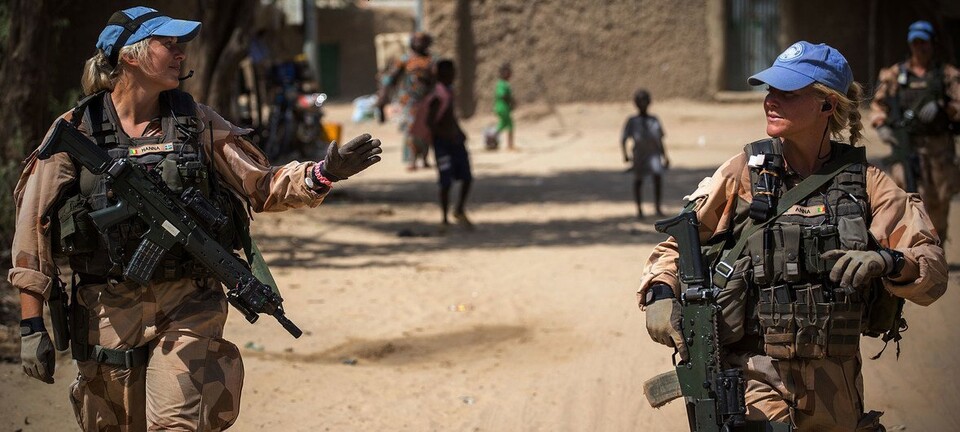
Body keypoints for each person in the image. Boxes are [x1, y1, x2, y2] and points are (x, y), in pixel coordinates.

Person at [11, 7, 381, 431]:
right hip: (106, 313)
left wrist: (323, 173)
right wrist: (31, 324)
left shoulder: (197, 122)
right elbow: (32, 229)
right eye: (167, 44)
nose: (180, 53)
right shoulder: (76, 131)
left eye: (180, 45)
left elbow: (261, 185)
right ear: (130, 56)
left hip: (189, 304)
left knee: (176, 424)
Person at [638, 41, 947, 431]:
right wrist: (661, 292)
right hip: (752, 376)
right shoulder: (745, 174)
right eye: (770, 90)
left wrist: (890, 262)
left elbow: (933, 275)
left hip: (834, 386)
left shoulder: (867, 185)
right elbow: (677, 244)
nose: (771, 100)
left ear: (826, 104)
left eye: (788, 92)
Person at [869, 20, 960, 241]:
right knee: (904, 197)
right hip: (906, 147)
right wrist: (881, 126)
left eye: (924, 42)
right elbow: (878, 105)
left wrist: (942, 106)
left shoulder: (946, 75)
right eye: (916, 43)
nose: (920, 48)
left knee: (938, 201)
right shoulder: (894, 75)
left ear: (932, 44)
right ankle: (909, 250)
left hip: (938, 148)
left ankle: (935, 248)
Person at [378, 31, 436, 171]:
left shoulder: (432, 60)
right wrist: (383, 95)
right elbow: (390, 78)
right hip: (409, 100)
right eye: (416, 40)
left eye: (422, 40)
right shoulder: (405, 59)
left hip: (427, 99)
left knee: (426, 129)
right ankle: (412, 159)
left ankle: (424, 157)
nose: (418, 43)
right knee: (411, 129)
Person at [426, 59, 473, 232]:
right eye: (450, 72)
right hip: (443, 145)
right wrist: (447, 136)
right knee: (445, 182)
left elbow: (450, 117)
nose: (453, 75)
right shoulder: (437, 95)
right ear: (442, 74)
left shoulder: (448, 92)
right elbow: (430, 123)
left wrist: (459, 132)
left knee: (467, 177)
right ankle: (444, 218)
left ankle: (459, 209)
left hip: (455, 142)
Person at [621, 89, 669, 219]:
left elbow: (660, 139)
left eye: (645, 101)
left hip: (654, 154)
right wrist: (625, 155)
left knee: (657, 177)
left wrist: (665, 156)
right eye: (640, 101)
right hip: (639, 155)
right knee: (638, 181)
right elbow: (624, 139)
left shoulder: (654, 120)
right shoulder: (632, 121)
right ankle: (639, 209)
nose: (643, 104)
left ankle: (657, 207)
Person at [493, 62, 516, 151]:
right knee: (509, 125)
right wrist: (511, 99)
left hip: (505, 108)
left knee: (504, 124)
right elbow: (502, 95)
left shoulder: (505, 84)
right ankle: (510, 145)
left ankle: (493, 139)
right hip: (502, 107)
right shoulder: (502, 84)